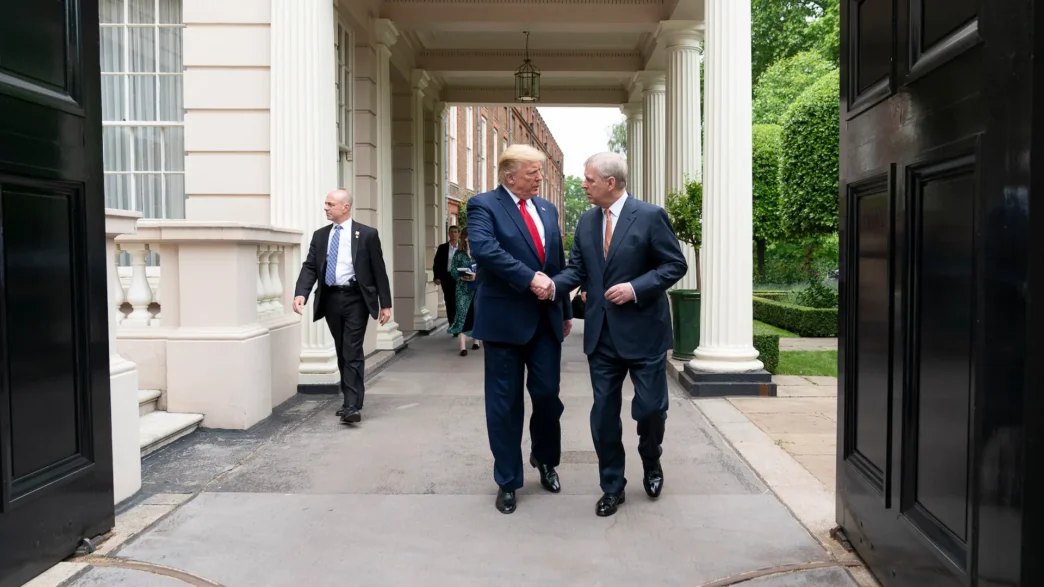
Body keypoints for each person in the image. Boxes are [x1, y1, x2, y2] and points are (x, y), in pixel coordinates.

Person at [537, 152, 687, 517]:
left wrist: (635, 288)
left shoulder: (650, 216)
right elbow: (576, 270)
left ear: (610, 182)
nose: (583, 185)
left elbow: (674, 264)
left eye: (588, 179)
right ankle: (612, 486)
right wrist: (550, 286)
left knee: (651, 410)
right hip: (602, 336)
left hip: (645, 333)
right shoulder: (587, 222)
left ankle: (651, 460)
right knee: (604, 415)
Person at [467, 144, 573, 514]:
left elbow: (556, 260)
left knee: (547, 397)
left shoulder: (547, 209)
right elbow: (484, 250)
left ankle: (545, 460)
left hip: (546, 320)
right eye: (533, 173)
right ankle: (508, 480)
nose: (540, 178)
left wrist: (564, 308)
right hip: (503, 322)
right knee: (504, 404)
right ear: (510, 176)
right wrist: (530, 280)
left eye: (540, 172)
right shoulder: (483, 205)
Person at [293, 188, 393, 425]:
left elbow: (379, 270)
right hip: (330, 299)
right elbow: (310, 267)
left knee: (352, 349)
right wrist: (301, 293)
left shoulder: (366, 234)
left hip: (356, 298)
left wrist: (385, 304)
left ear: (345, 207)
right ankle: (351, 399)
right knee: (341, 349)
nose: (326, 208)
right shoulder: (320, 236)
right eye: (325, 204)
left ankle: (351, 405)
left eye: (330, 204)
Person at [447, 227, 481, 355]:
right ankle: (462, 347)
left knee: (475, 314)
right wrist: (461, 276)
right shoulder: (458, 254)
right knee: (462, 315)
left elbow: (484, 268)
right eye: (467, 236)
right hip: (462, 289)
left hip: (476, 288)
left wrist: (476, 276)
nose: (468, 239)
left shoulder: (478, 253)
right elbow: (454, 270)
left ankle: (476, 341)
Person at [432, 226, 460, 329]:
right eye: (451, 232)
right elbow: (437, 263)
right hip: (447, 278)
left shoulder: (463, 247)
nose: (453, 234)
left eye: (455, 232)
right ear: (448, 234)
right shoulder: (442, 248)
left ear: (458, 234)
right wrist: (437, 277)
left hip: (460, 278)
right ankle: (452, 323)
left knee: (458, 300)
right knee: (449, 300)